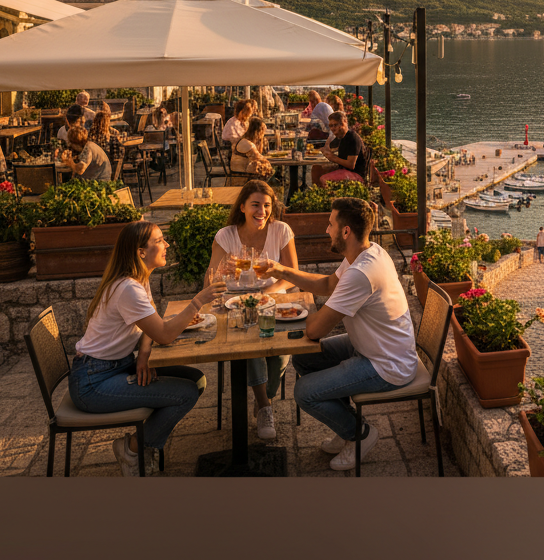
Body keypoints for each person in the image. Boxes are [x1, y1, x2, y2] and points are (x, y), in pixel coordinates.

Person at [260, 197, 417, 470]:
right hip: (372, 347)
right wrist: (281, 270)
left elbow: (314, 330)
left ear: (346, 232)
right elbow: (327, 284)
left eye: (331, 224)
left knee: (305, 391)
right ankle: (346, 424)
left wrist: (300, 310)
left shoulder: (361, 272)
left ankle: (359, 433)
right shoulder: (367, 252)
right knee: (304, 359)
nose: (326, 230)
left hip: (386, 364)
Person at [69, 220, 227, 476]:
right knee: (185, 393)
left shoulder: (137, 279)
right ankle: (132, 449)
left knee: (196, 380)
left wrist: (143, 355)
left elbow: (149, 327)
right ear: (140, 251)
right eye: (159, 240)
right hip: (93, 383)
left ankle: (142, 445)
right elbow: (164, 334)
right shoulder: (129, 288)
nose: (166, 245)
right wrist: (198, 300)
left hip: (115, 366)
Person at [204, 180, 298, 439]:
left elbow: (292, 276)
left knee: (280, 357)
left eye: (267, 205)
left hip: (274, 303)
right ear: (243, 206)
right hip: (235, 306)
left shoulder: (281, 230)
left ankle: (263, 394)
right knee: (250, 347)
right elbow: (209, 284)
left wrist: (265, 294)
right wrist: (222, 271)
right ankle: (266, 407)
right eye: (255, 205)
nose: (262, 211)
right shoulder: (226, 236)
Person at [311, 111, 370, 187]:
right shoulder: (341, 136)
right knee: (316, 168)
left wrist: (333, 158)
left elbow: (351, 165)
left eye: (335, 125)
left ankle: (329, 197)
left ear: (344, 123)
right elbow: (330, 148)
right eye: (331, 126)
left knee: (324, 179)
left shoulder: (352, 138)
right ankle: (316, 195)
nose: (333, 128)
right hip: (343, 169)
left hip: (356, 174)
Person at [228, 117, 274, 185]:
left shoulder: (243, 141)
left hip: (237, 176)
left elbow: (259, 154)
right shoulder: (248, 145)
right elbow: (263, 159)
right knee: (272, 171)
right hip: (243, 178)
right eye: (262, 132)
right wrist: (261, 139)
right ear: (257, 132)